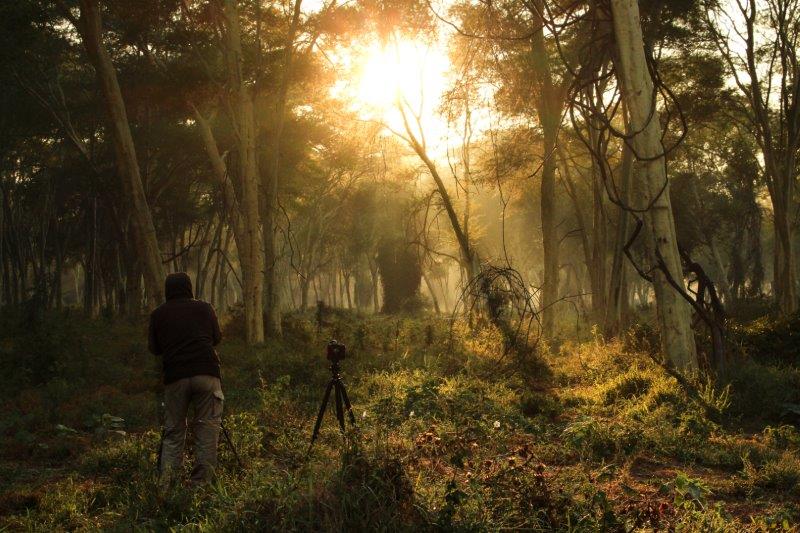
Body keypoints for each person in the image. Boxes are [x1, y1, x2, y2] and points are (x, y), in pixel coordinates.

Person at [148, 272, 224, 489]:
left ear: (167, 290)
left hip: (175, 378)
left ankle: (168, 484)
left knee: (173, 430)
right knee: (207, 429)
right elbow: (217, 338)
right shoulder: (205, 308)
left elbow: (154, 349)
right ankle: (201, 484)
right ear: (190, 288)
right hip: (207, 374)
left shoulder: (158, 314)